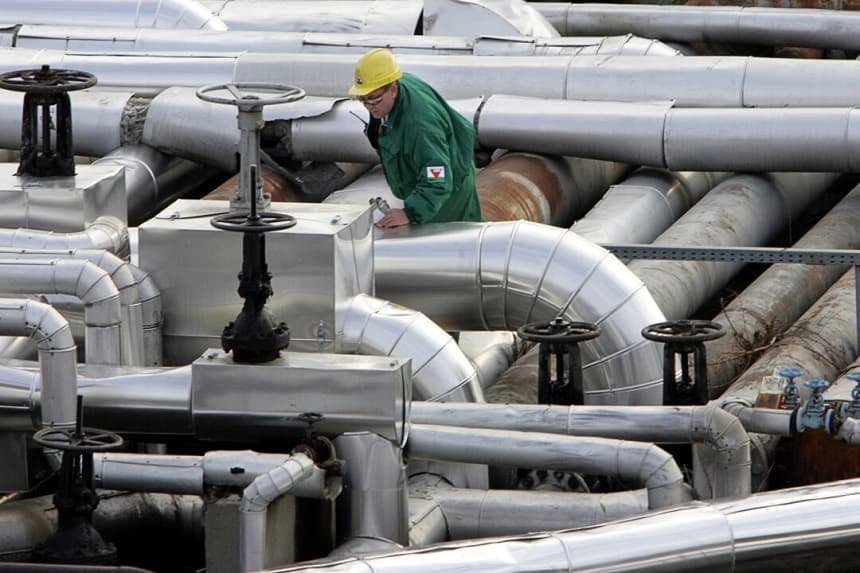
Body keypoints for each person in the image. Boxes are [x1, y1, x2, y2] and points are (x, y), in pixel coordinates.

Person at [348, 48, 485, 228]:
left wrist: (410, 213)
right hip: (439, 176)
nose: (368, 106)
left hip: (446, 197)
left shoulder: (420, 127)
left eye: (373, 99)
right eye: (362, 99)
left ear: (393, 89)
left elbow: (438, 180)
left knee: (446, 247)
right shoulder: (395, 85)